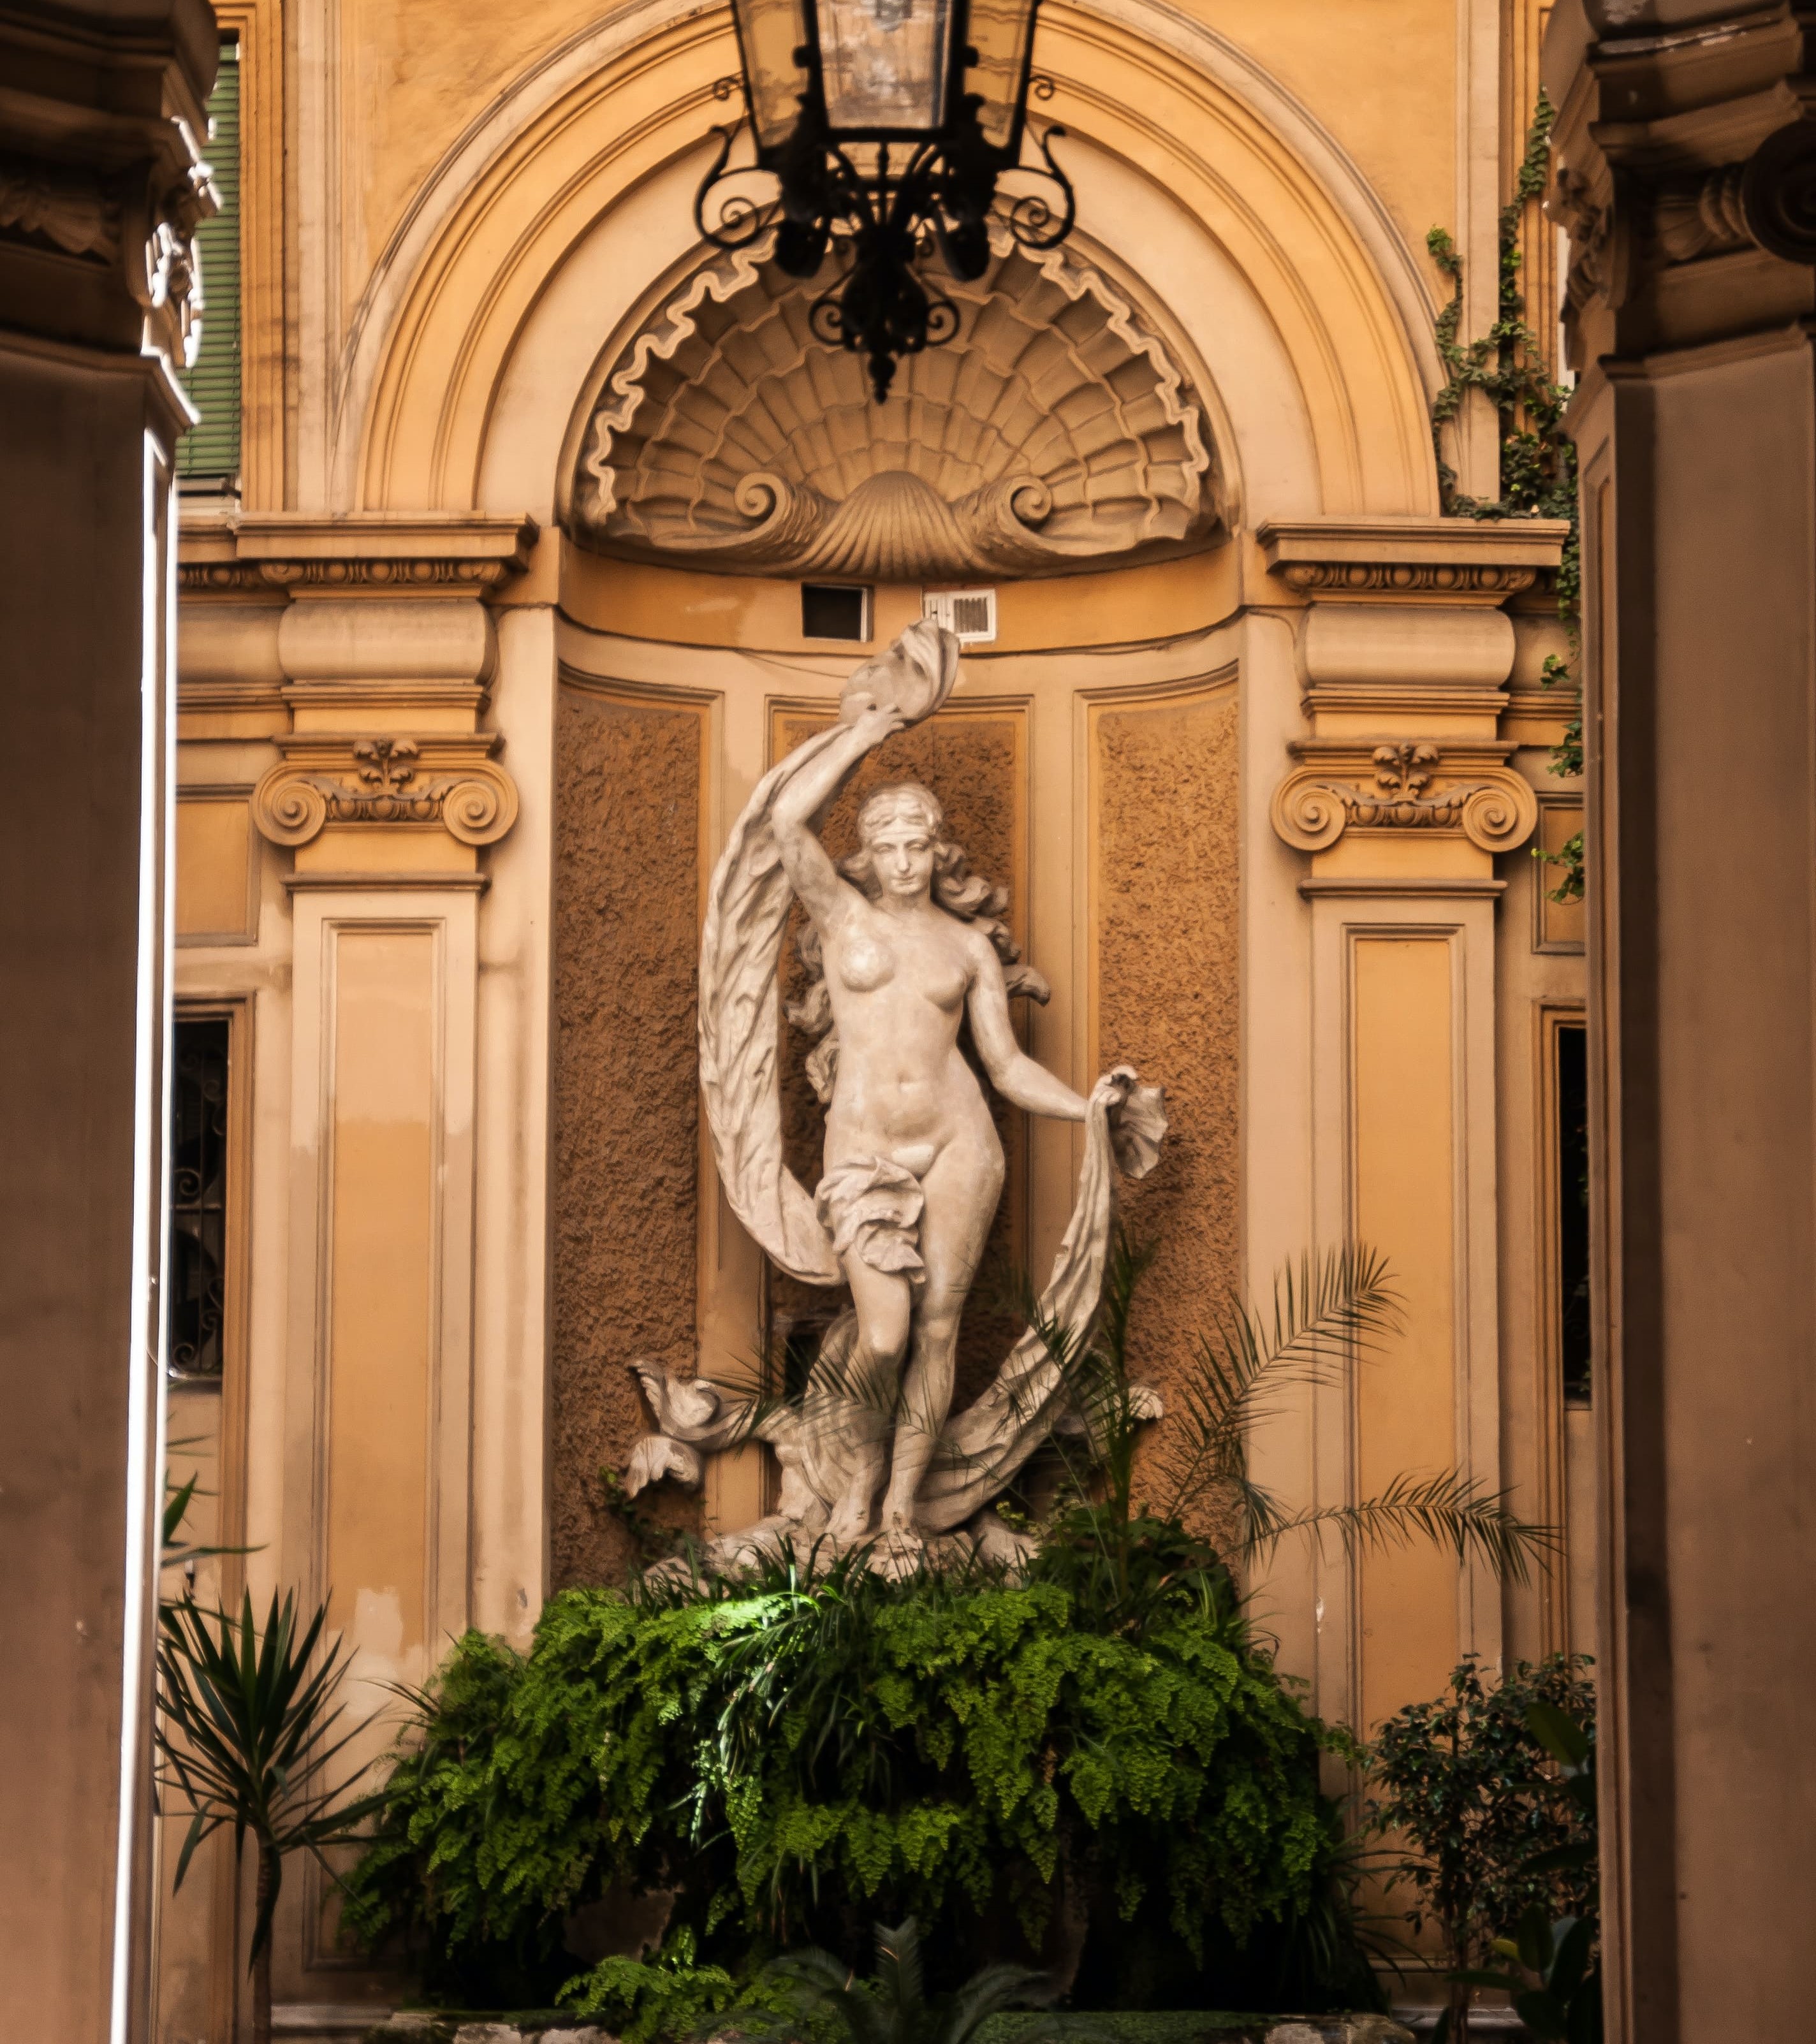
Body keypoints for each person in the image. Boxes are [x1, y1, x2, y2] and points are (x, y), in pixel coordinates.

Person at [769, 710, 1129, 1549]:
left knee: (937, 1332)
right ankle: (854, 1485)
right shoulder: (843, 917)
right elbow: (785, 822)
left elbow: (1003, 1068)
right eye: (887, 846)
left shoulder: (968, 947)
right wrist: (865, 729)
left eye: (916, 846)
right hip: (862, 1151)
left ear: (937, 851)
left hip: (960, 1142)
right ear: (869, 851)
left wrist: (1088, 1110)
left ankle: (898, 1509)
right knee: (886, 1332)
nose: (902, 862)